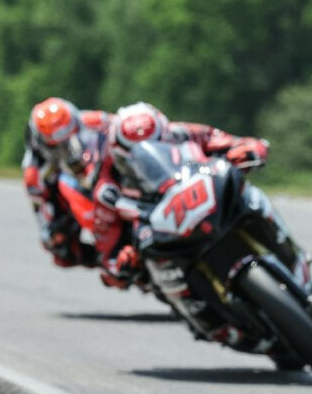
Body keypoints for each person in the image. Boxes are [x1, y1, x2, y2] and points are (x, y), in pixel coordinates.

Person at [89, 101, 270, 289]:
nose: (146, 164)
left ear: (166, 136)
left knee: (249, 196)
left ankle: (286, 251)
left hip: (198, 189)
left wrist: (246, 150)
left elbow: (233, 142)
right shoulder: (109, 188)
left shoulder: (183, 134)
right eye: (133, 159)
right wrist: (122, 261)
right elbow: (106, 248)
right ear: (117, 154)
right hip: (161, 236)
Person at [21, 97, 111, 268]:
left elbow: (129, 125)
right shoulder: (34, 173)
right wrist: (51, 233)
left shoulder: (92, 120)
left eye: (71, 138)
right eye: (59, 145)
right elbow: (40, 210)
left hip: (101, 170)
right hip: (71, 203)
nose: (68, 147)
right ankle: (105, 262)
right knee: (61, 252)